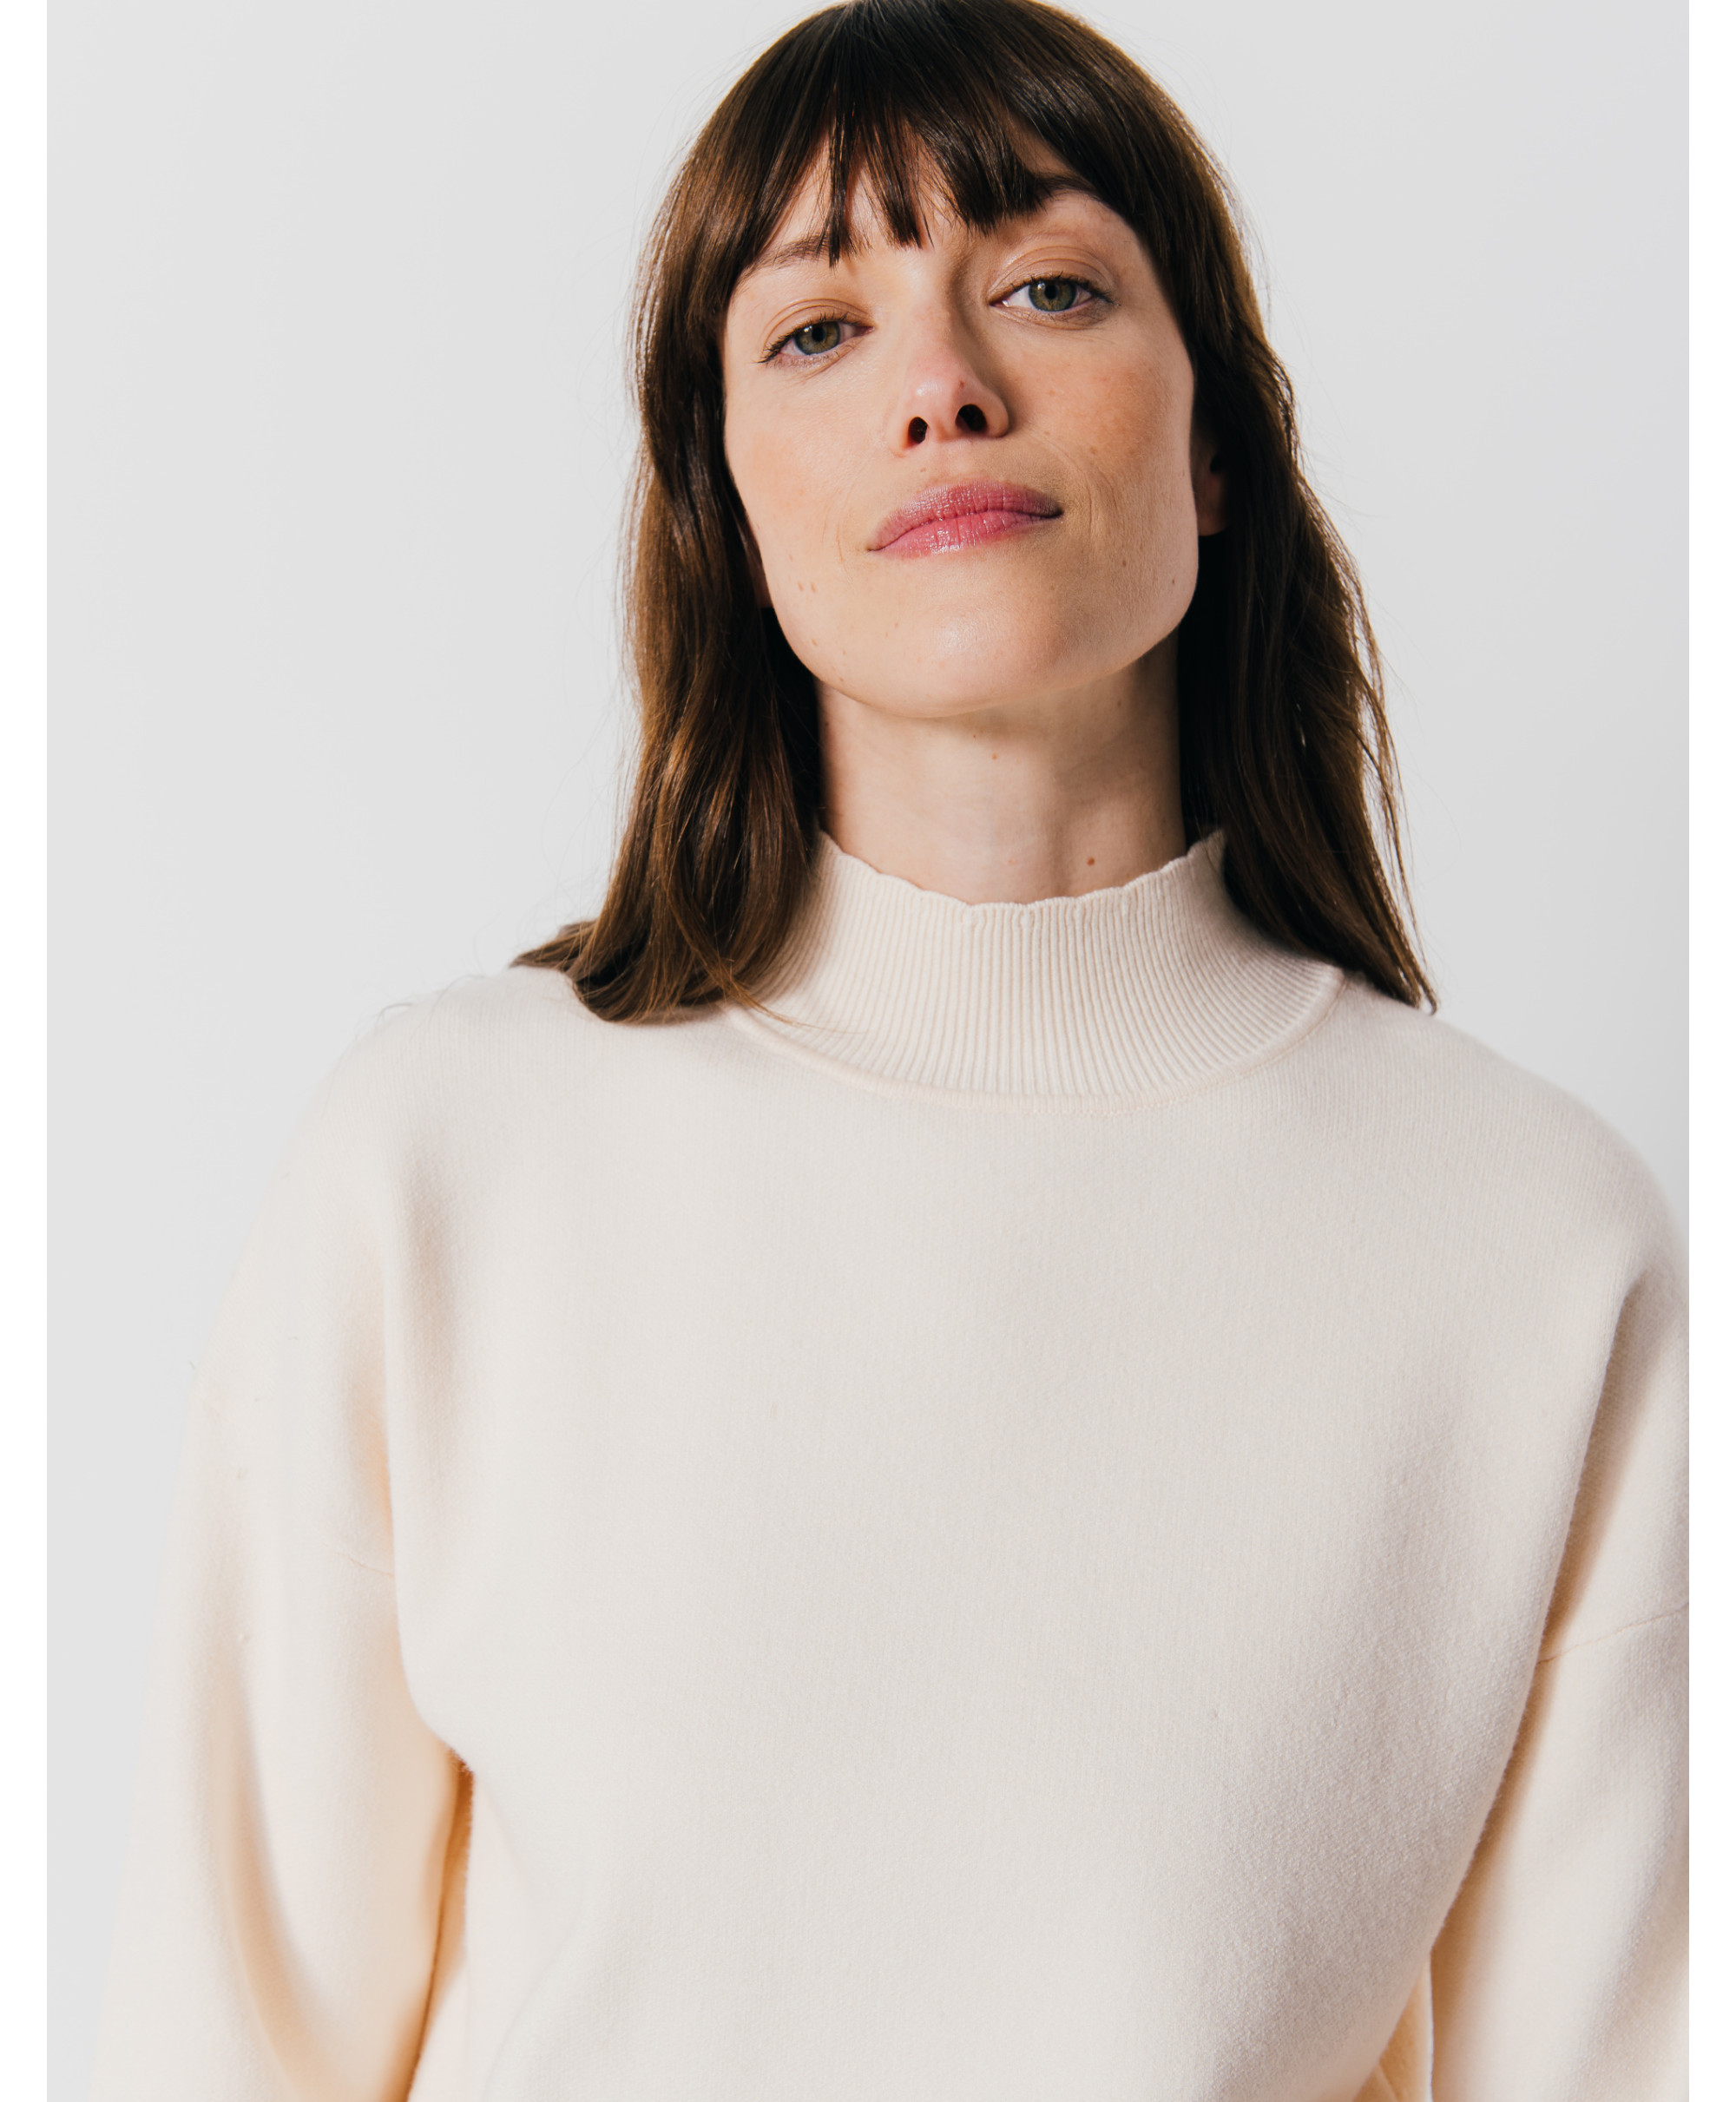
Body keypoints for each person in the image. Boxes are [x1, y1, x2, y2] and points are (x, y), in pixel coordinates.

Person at [91, 1, 1686, 2096]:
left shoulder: (1535, 1246)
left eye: (1049, 286)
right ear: (726, 497)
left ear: (1214, 446)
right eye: (820, 329)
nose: (943, 387)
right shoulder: (447, 1159)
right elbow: (221, 2044)